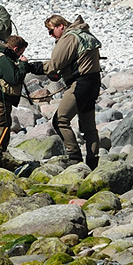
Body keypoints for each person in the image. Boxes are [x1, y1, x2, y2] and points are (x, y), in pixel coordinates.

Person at [43, 14, 102, 169]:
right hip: (94, 83)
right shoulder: (84, 33)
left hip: (81, 84)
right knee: (89, 127)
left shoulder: (69, 38)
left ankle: (74, 157)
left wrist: (32, 67)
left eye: (51, 31)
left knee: (60, 120)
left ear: (60, 26)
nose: (50, 35)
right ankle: (93, 163)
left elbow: (54, 63)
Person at [0, 34, 30, 170]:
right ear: (15, 48)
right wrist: (23, 65)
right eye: (21, 52)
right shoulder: (2, 59)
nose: (20, 55)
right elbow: (15, 78)